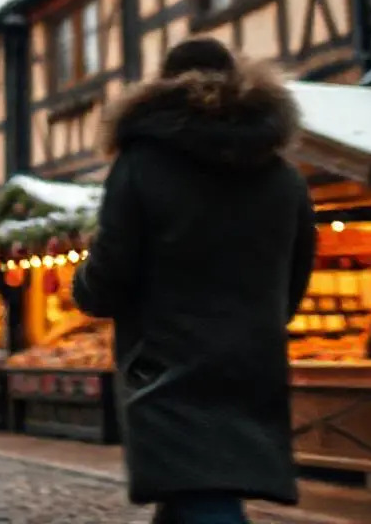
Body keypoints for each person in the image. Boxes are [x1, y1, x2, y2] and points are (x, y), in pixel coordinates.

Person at [71, 38, 315, 524]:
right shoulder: (283, 177)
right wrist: (256, 324)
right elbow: (294, 277)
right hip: (250, 362)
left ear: (162, 87)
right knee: (195, 489)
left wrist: (84, 285)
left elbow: (109, 275)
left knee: (200, 491)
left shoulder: (141, 164)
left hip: (167, 364)